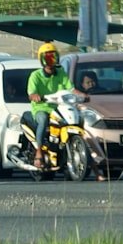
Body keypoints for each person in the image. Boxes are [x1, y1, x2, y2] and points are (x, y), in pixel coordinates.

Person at [27, 41, 76, 169]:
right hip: (41, 108)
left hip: (59, 108)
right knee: (43, 120)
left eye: (53, 57)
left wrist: (83, 95)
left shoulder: (61, 72)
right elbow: (31, 94)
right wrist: (36, 96)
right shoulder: (35, 75)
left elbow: (71, 88)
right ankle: (39, 151)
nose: (51, 61)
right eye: (48, 58)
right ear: (42, 60)